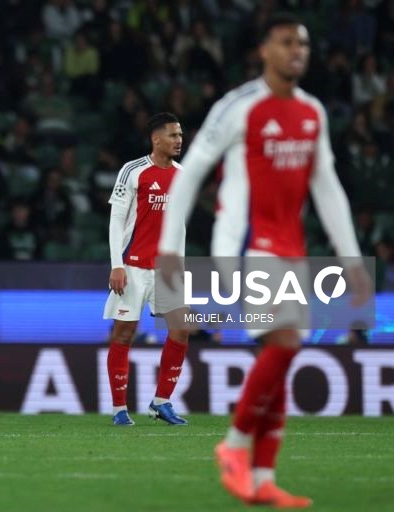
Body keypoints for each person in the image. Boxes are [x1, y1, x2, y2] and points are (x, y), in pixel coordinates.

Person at [158, 13, 372, 508]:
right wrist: (171, 256)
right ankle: (234, 447)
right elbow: (189, 178)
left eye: (303, 43)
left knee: (281, 355)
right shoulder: (239, 107)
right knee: (286, 341)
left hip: (291, 249)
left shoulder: (313, 112)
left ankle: (262, 477)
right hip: (247, 244)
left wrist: (351, 260)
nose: (297, 50)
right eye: (286, 42)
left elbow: (329, 189)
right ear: (264, 51)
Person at [103, 112, 191, 427]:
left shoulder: (183, 175)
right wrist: (116, 264)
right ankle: (119, 409)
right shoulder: (133, 171)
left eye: (180, 135)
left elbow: (178, 225)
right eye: (172, 135)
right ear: (156, 139)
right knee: (124, 334)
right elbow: (116, 220)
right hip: (133, 266)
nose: (179, 140)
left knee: (182, 330)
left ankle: (161, 402)